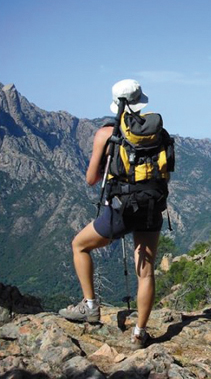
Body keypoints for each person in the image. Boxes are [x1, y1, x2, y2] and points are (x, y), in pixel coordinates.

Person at [59, 79, 165, 350]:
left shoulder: (106, 133)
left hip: (120, 210)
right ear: (141, 102)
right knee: (146, 272)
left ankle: (90, 306)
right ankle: (140, 334)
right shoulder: (158, 133)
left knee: (79, 245)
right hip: (152, 206)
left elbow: (91, 179)